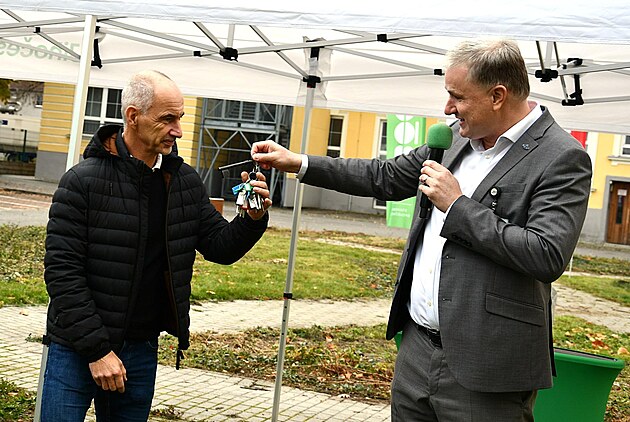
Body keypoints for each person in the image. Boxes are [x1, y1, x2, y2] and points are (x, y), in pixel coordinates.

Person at [251, 40, 592, 420]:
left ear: (498, 96)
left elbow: (546, 254)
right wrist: (298, 162)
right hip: (417, 351)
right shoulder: (457, 136)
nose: (447, 108)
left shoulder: (561, 156)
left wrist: (457, 205)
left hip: (487, 368)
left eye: (457, 97)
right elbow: (385, 176)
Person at [40, 70, 271, 421]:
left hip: (140, 349)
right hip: (76, 349)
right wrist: (97, 351)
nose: (178, 130)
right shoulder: (82, 181)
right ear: (133, 116)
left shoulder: (183, 181)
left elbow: (220, 247)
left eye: (180, 118)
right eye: (168, 119)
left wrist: (251, 218)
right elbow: (62, 273)